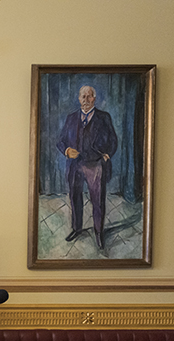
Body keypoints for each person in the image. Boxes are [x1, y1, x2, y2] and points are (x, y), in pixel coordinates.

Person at [56, 85, 118, 249]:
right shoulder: (71, 118)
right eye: (83, 96)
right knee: (75, 197)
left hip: (95, 164)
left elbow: (113, 140)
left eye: (89, 96)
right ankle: (77, 229)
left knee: (97, 201)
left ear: (94, 99)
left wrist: (107, 155)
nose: (86, 100)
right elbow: (60, 141)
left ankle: (98, 233)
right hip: (74, 165)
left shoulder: (104, 117)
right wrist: (67, 151)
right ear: (79, 99)